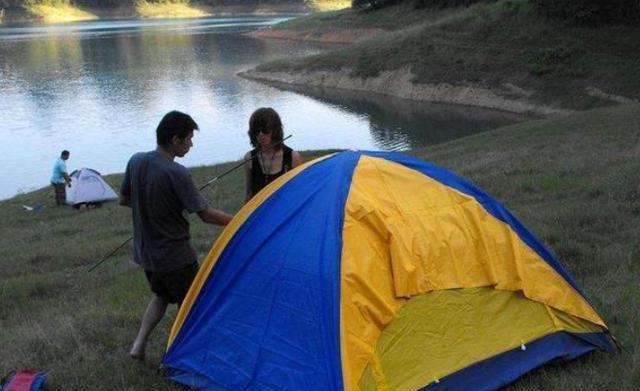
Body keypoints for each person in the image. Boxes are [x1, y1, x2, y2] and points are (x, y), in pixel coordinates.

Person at [120, 111, 233, 360]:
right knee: (192, 306)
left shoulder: (136, 161)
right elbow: (205, 215)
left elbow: (126, 199)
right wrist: (239, 222)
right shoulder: (177, 173)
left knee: (161, 295)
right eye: (189, 139)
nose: (191, 144)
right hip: (175, 258)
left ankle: (138, 346)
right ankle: (183, 355)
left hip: (146, 255)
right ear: (175, 140)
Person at [244, 108, 301, 203]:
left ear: (275, 130)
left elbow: (298, 192)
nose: (261, 134)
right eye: (257, 130)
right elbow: (248, 192)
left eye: (265, 130)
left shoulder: (293, 157)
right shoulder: (249, 158)